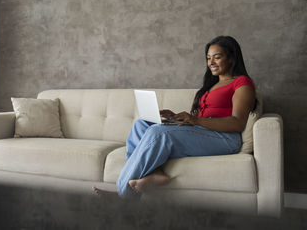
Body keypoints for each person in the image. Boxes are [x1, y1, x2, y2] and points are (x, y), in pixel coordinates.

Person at [93, 35, 257, 199]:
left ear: (231, 58)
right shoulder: (211, 85)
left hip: (225, 138)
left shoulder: (242, 83)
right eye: (208, 58)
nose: (211, 63)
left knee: (158, 133)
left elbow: (238, 123)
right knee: (142, 125)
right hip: (204, 130)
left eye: (217, 57)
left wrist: (195, 120)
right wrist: (174, 118)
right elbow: (204, 118)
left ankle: (124, 194)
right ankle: (156, 173)